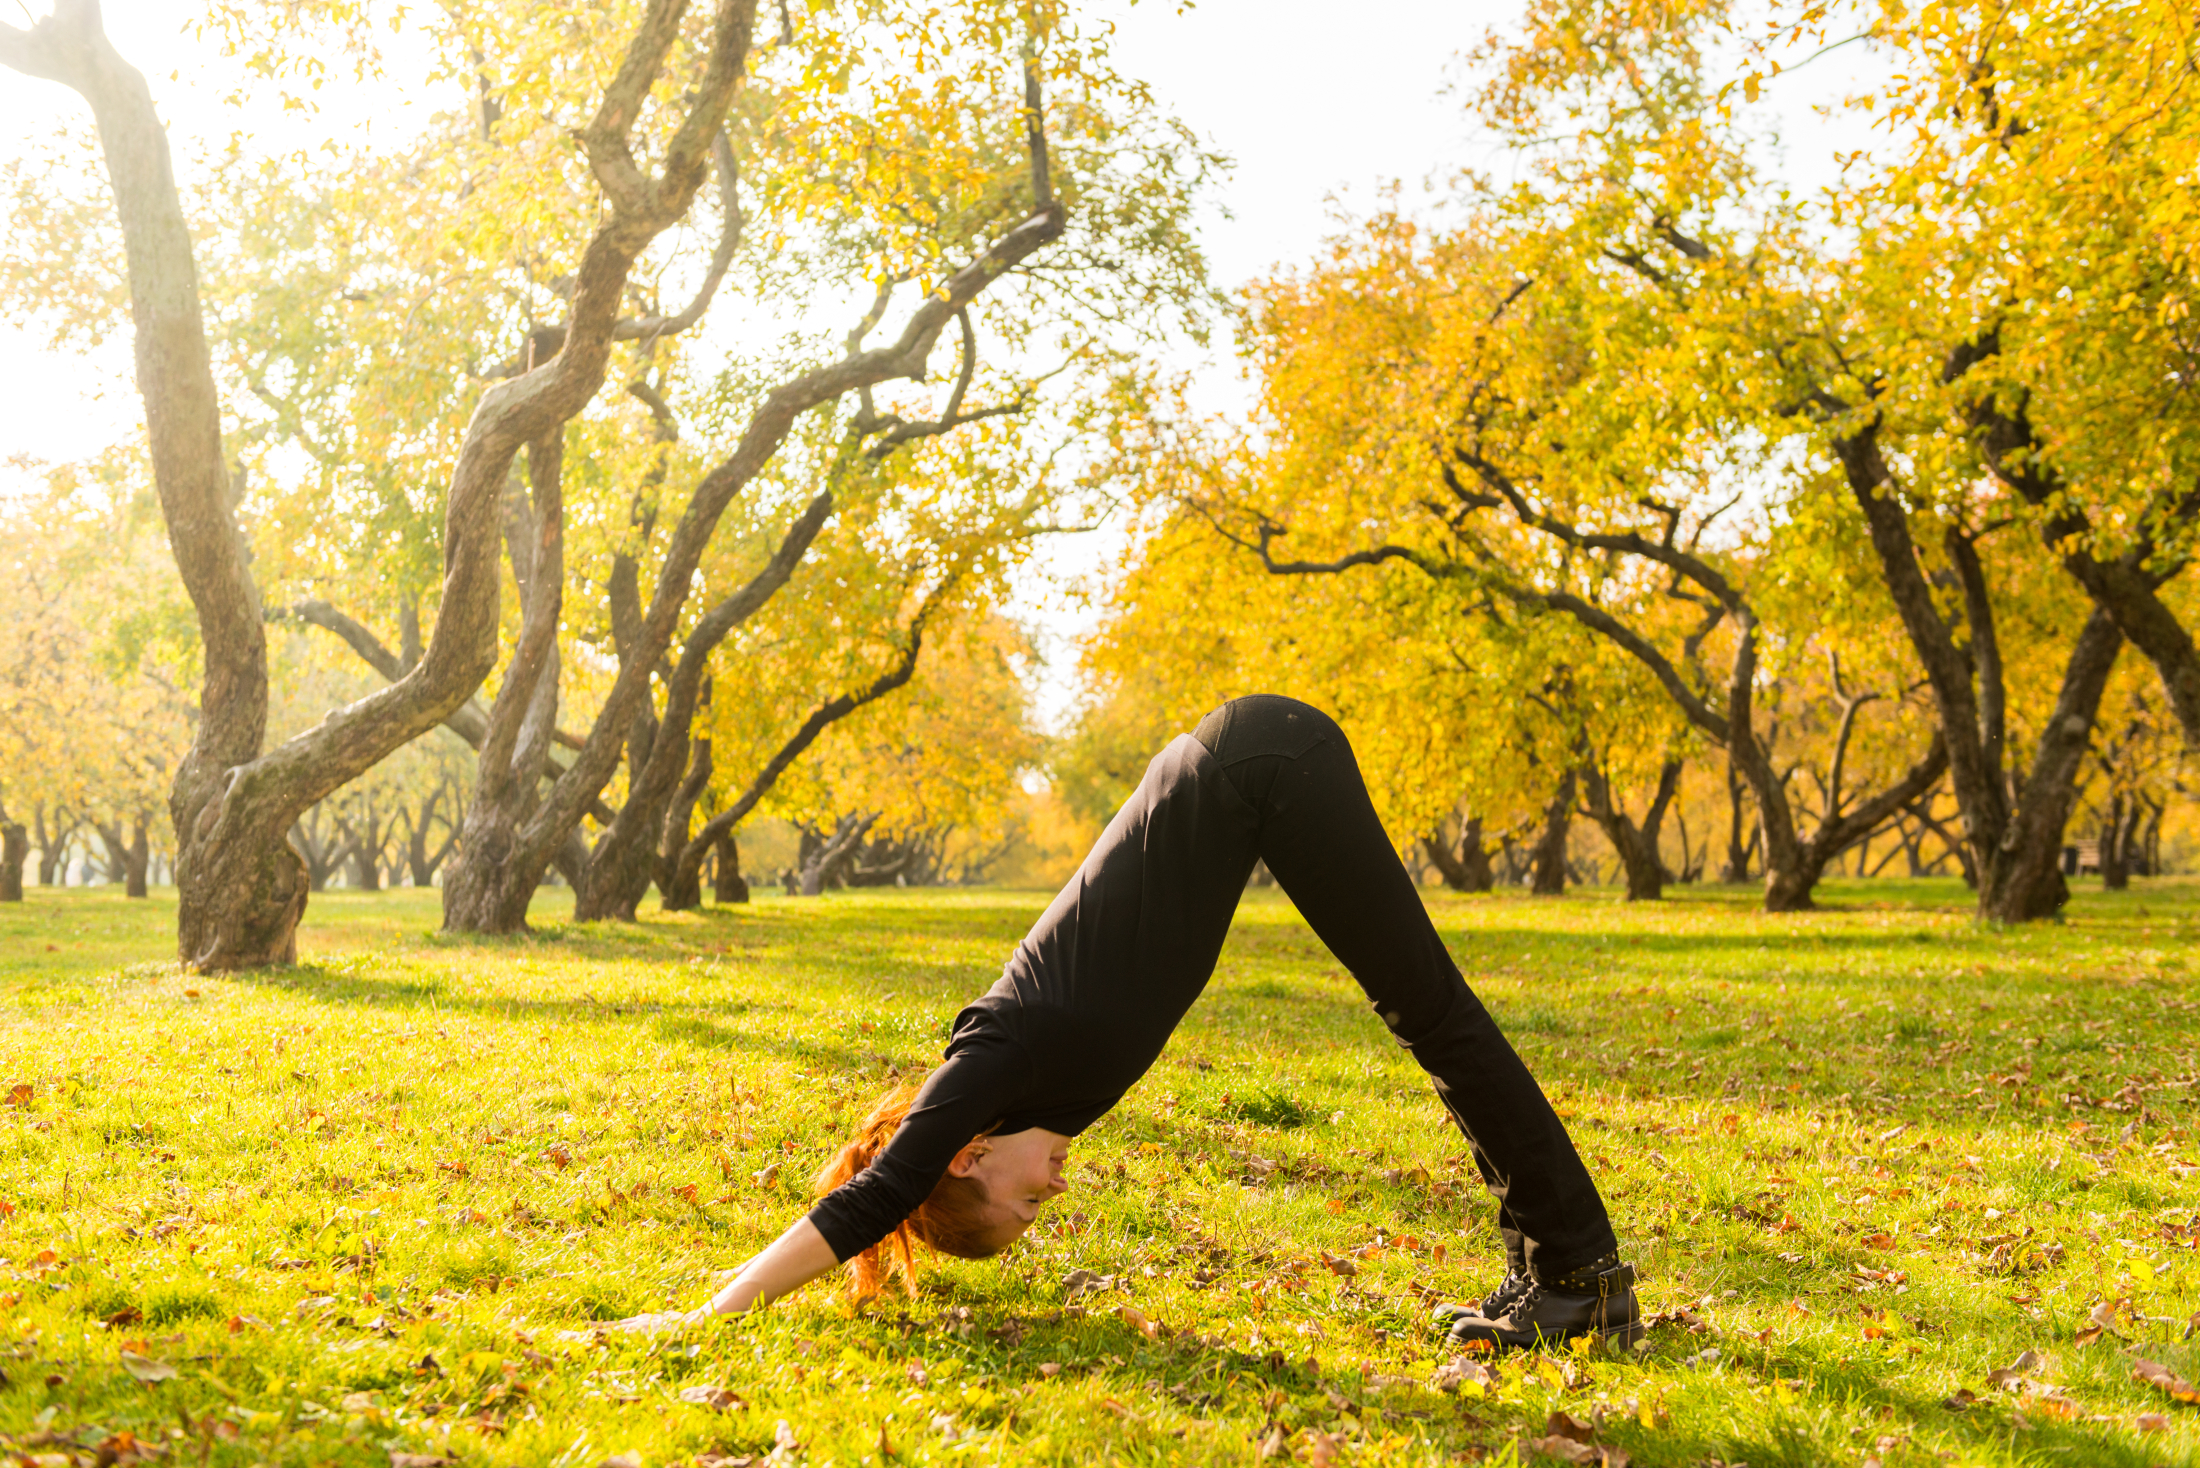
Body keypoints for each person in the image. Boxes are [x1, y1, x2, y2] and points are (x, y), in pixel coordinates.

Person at [679, 695, 1639, 1348]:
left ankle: (1581, 1277)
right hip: (1245, 768)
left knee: (1432, 1012)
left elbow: (874, 1197)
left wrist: (708, 1313)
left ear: (965, 1158)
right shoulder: (1046, 1103)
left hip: (1256, 764)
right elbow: (896, 1196)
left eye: (1023, 1206)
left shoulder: (995, 1061)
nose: (1050, 1197)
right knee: (1425, 1016)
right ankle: (1551, 1270)